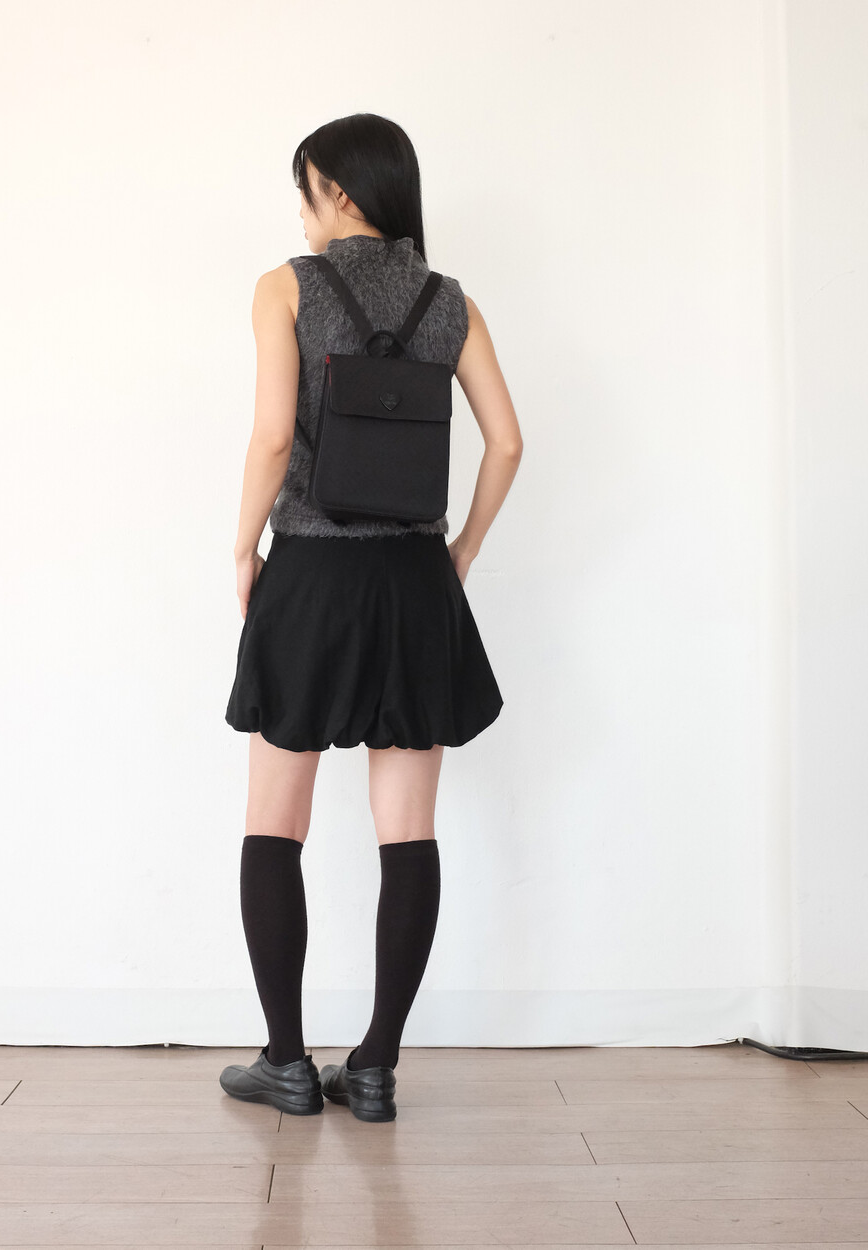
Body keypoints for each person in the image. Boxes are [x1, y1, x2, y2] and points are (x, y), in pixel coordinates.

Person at [219, 113, 523, 1122]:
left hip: (311, 576)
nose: (301, 211)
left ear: (340, 192)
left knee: (275, 821)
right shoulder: (451, 301)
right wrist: (460, 550)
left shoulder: (285, 288)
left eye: (305, 189)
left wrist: (242, 548)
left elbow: (272, 438)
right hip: (411, 584)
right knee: (408, 832)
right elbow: (508, 443)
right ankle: (378, 1064)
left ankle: (285, 1061)